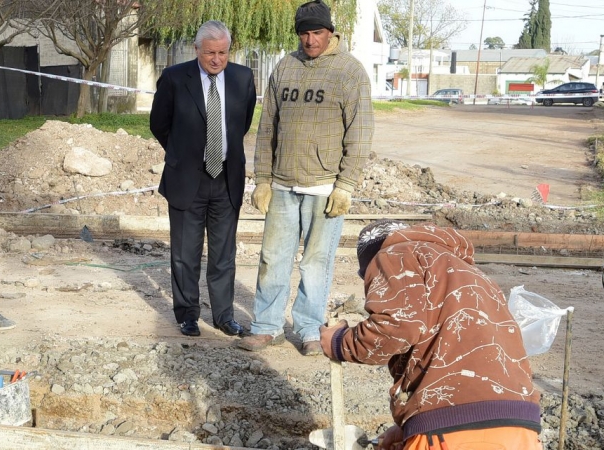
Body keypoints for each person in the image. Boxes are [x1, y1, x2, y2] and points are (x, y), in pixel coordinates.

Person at [320, 220, 543, 450]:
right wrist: (409, 426)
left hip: (451, 433)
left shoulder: (392, 254)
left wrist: (339, 342)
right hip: (521, 426)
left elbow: (397, 327)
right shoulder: (474, 275)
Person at [238, 0, 374, 356]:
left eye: (316, 32)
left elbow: (359, 133)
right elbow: (267, 127)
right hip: (282, 184)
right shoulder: (285, 67)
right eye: (304, 33)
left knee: (315, 263)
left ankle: (310, 329)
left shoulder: (350, 72)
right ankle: (266, 327)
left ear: (330, 31)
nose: (310, 40)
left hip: (324, 188)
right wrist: (263, 178)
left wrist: (346, 185)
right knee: (272, 259)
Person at [150, 20, 257, 338]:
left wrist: (220, 151)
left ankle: (224, 316)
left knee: (224, 254)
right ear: (197, 50)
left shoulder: (243, 78)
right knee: (185, 253)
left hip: (226, 179)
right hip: (186, 179)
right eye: (210, 53)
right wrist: (183, 153)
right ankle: (187, 315)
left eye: (222, 53)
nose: (216, 59)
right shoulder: (174, 78)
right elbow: (159, 123)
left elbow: (244, 121)